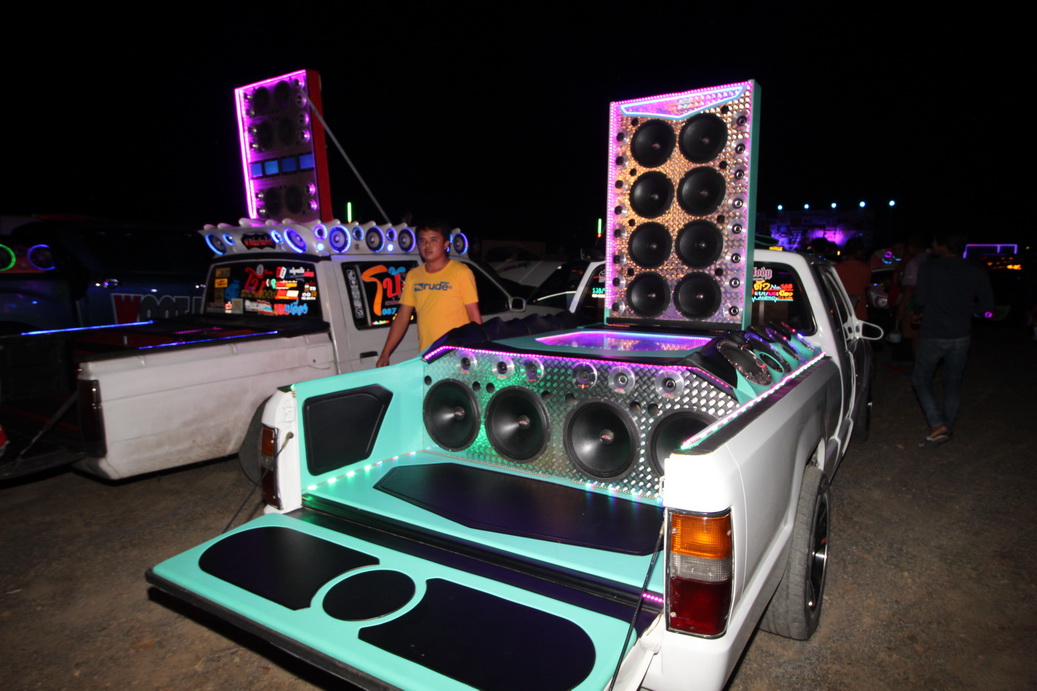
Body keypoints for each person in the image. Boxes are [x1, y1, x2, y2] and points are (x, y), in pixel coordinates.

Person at [911, 228, 993, 447]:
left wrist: (917, 313)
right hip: (961, 334)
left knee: (921, 378)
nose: (932, 246)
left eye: (935, 242)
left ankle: (937, 423)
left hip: (934, 332)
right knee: (954, 381)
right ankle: (947, 425)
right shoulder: (975, 270)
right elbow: (987, 305)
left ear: (943, 244)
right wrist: (965, 310)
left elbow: (919, 300)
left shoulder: (930, 268)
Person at [376, 223, 481, 367]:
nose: (427, 245)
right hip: (428, 355)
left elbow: (474, 315)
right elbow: (402, 317)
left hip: (457, 354)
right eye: (423, 240)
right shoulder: (414, 275)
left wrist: (480, 352)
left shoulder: (461, 272)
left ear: (446, 244)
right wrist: (385, 354)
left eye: (433, 240)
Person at [834, 237, 872, 321]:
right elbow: (867, 287)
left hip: (841, 310)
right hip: (859, 311)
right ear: (859, 252)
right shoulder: (865, 268)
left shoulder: (835, 268)